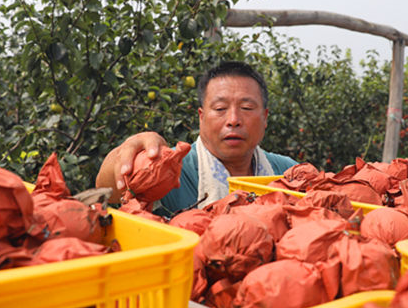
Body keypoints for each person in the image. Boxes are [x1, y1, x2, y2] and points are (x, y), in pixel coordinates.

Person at [95, 61, 297, 214]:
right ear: (201, 117)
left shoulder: (288, 173)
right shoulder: (171, 169)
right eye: (220, 109)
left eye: (246, 108)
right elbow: (107, 190)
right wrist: (126, 153)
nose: (234, 120)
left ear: (265, 117)